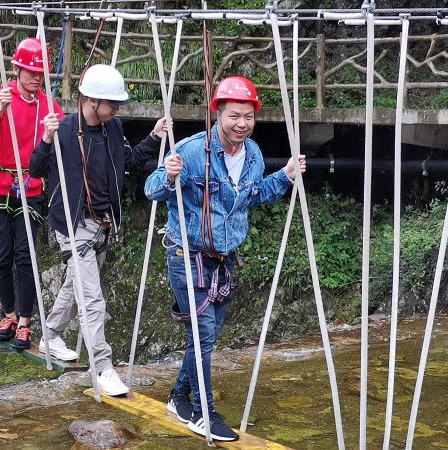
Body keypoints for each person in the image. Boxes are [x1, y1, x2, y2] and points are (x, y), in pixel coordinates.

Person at [144, 76, 306, 441]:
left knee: (207, 335)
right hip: (186, 255)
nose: (242, 124)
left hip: (223, 260)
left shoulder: (254, 155)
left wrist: (285, 176)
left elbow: (254, 195)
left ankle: (177, 396)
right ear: (218, 113)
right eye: (235, 116)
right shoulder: (191, 150)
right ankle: (204, 413)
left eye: (248, 117)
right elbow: (150, 189)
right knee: (202, 335)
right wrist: (169, 177)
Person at [30, 64, 167, 396]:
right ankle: (102, 367)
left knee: (74, 284)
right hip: (74, 224)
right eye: (111, 103)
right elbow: (34, 169)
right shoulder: (62, 129)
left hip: (102, 223)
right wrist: (46, 139)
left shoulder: (112, 127)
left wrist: (153, 138)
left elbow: (129, 163)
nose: (117, 108)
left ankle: (49, 334)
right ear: (91, 100)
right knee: (92, 299)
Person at [0, 38, 64, 350]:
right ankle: (9, 315)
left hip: (30, 188)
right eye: (30, 71)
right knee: (1, 257)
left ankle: (26, 322)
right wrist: (0, 110)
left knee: (25, 257)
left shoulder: (47, 104)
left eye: (39, 71)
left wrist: (54, 131)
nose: (36, 76)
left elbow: (67, 132)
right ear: (17, 69)